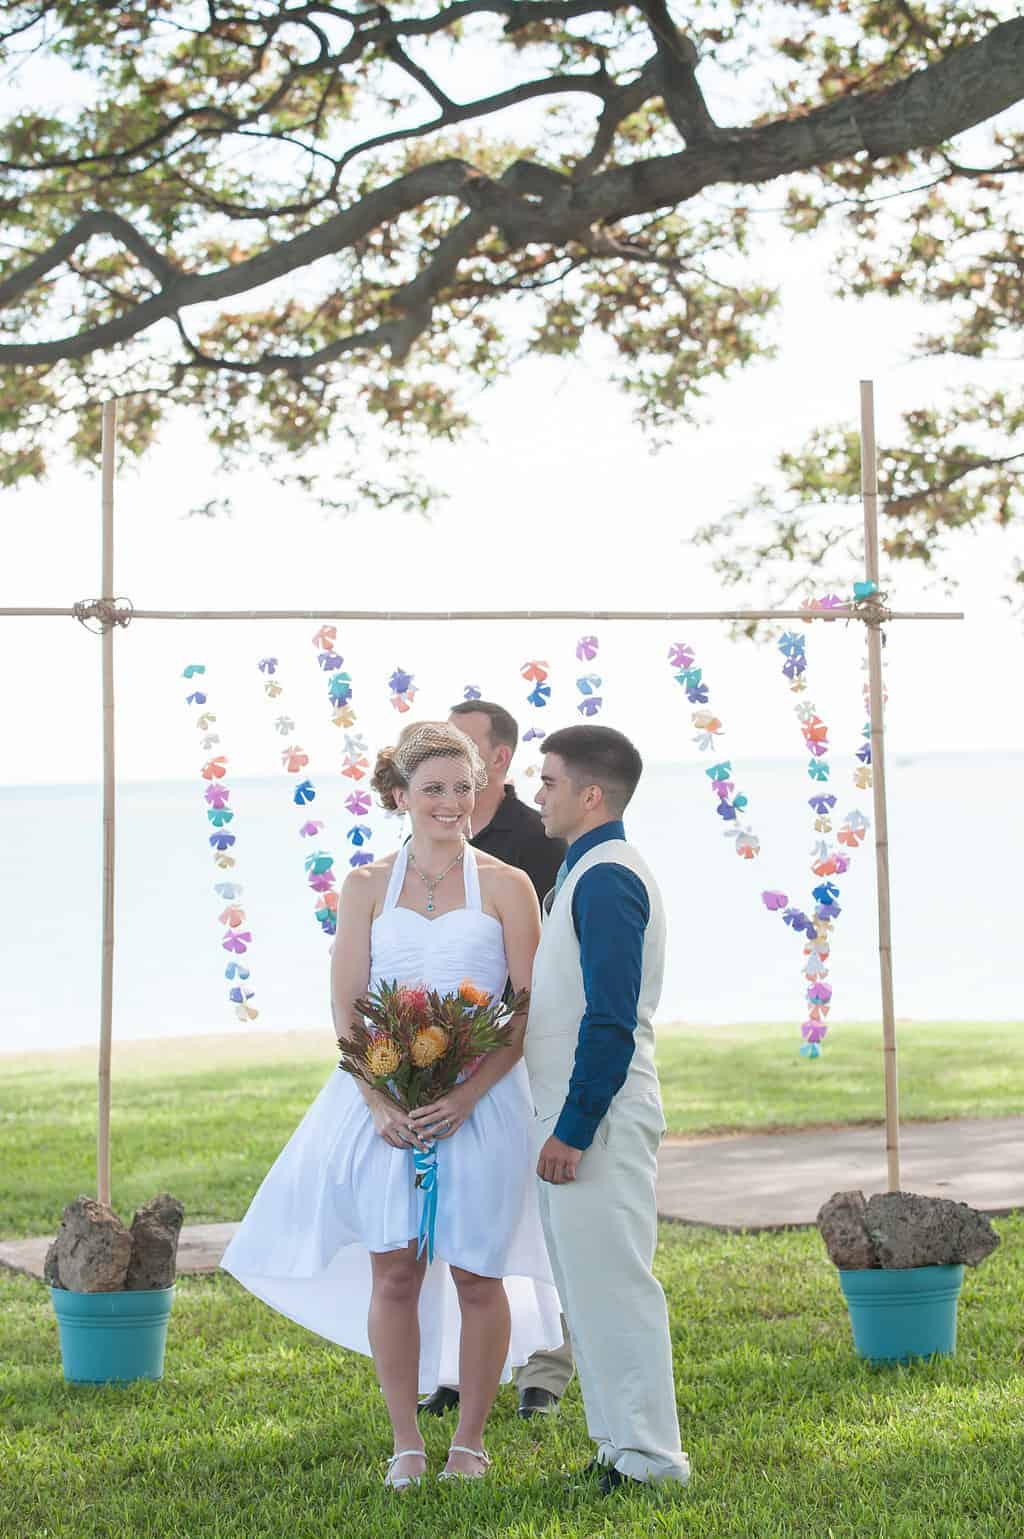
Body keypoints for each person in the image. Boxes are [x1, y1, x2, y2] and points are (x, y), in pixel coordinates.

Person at [222, 721, 562, 1489]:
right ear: (401, 795)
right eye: (434, 788)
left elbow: (523, 1014)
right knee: (396, 1272)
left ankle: (469, 1442)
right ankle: (406, 1441)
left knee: (480, 1274)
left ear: (481, 790)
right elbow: (346, 1007)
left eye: (463, 787)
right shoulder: (366, 886)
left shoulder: (509, 886)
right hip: (386, 1107)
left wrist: (470, 1096)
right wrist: (378, 1097)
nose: (451, 803)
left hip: (483, 1105)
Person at [526, 723, 690, 1494]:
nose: (538, 794)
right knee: (586, 1288)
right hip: (570, 1110)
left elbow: (611, 1018)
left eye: (549, 781)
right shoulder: (583, 870)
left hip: (602, 1117)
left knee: (617, 1284)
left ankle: (654, 1459)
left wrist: (574, 1125)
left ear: (591, 794)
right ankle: (618, 1446)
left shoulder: (608, 877)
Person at [414, 700, 573, 1422]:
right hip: (424, 1068)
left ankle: (544, 1365)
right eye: (436, 776)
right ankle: (451, 1367)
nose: (453, 789)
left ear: (497, 762)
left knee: (518, 1223)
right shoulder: (398, 871)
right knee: (441, 1228)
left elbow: (547, 972)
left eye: (465, 764)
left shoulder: (538, 846)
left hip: (511, 1058)